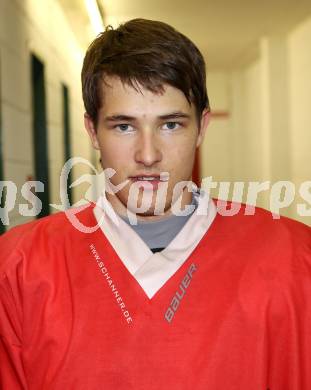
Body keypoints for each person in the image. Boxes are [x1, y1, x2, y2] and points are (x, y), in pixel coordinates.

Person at [0, 18, 311, 390]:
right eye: (124, 126)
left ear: (202, 127)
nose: (148, 155)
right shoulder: (17, 269)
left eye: (170, 125)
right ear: (92, 132)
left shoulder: (294, 261)